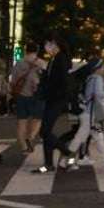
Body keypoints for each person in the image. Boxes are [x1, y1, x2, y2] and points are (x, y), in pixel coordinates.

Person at [31, 34, 71, 174]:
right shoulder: (54, 58)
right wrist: (43, 71)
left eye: (48, 43)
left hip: (57, 99)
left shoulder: (61, 59)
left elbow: (61, 80)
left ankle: (66, 152)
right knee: (46, 130)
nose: (46, 46)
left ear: (55, 43)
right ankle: (48, 164)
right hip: (51, 99)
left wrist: (45, 71)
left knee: (45, 131)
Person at [9, 42, 45, 153]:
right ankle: (31, 136)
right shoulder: (41, 63)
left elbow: (13, 81)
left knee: (22, 122)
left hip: (21, 96)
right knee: (38, 118)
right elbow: (47, 79)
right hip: (36, 95)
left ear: (26, 50)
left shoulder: (19, 63)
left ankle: (24, 147)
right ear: (37, 51)